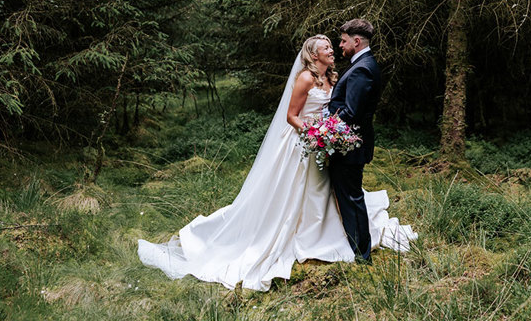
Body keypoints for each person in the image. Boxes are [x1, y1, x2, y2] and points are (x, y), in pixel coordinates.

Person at [137, 34, 416, 291]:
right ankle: (292, 234)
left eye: (333, 46)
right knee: (296, 191)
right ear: (313, 54)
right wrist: (314, 133)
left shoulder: (333, 77)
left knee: (323, 190)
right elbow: (292, 116)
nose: (333, 50)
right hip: (301, 143)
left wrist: (327, 135)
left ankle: (326, 233)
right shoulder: (305, 78)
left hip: (324, 144)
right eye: (327, 48)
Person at [328, 19, 380, 263]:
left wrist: (325, 129)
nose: (340, 45)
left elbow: (351, 112)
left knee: (351, 198)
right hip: (350, 143)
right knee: (350, 196)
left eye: (343, 40)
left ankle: (362, 254)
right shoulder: (363, 64)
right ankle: (358, 249)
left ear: (356, 41)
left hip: (350, 146)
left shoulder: (362, 68)